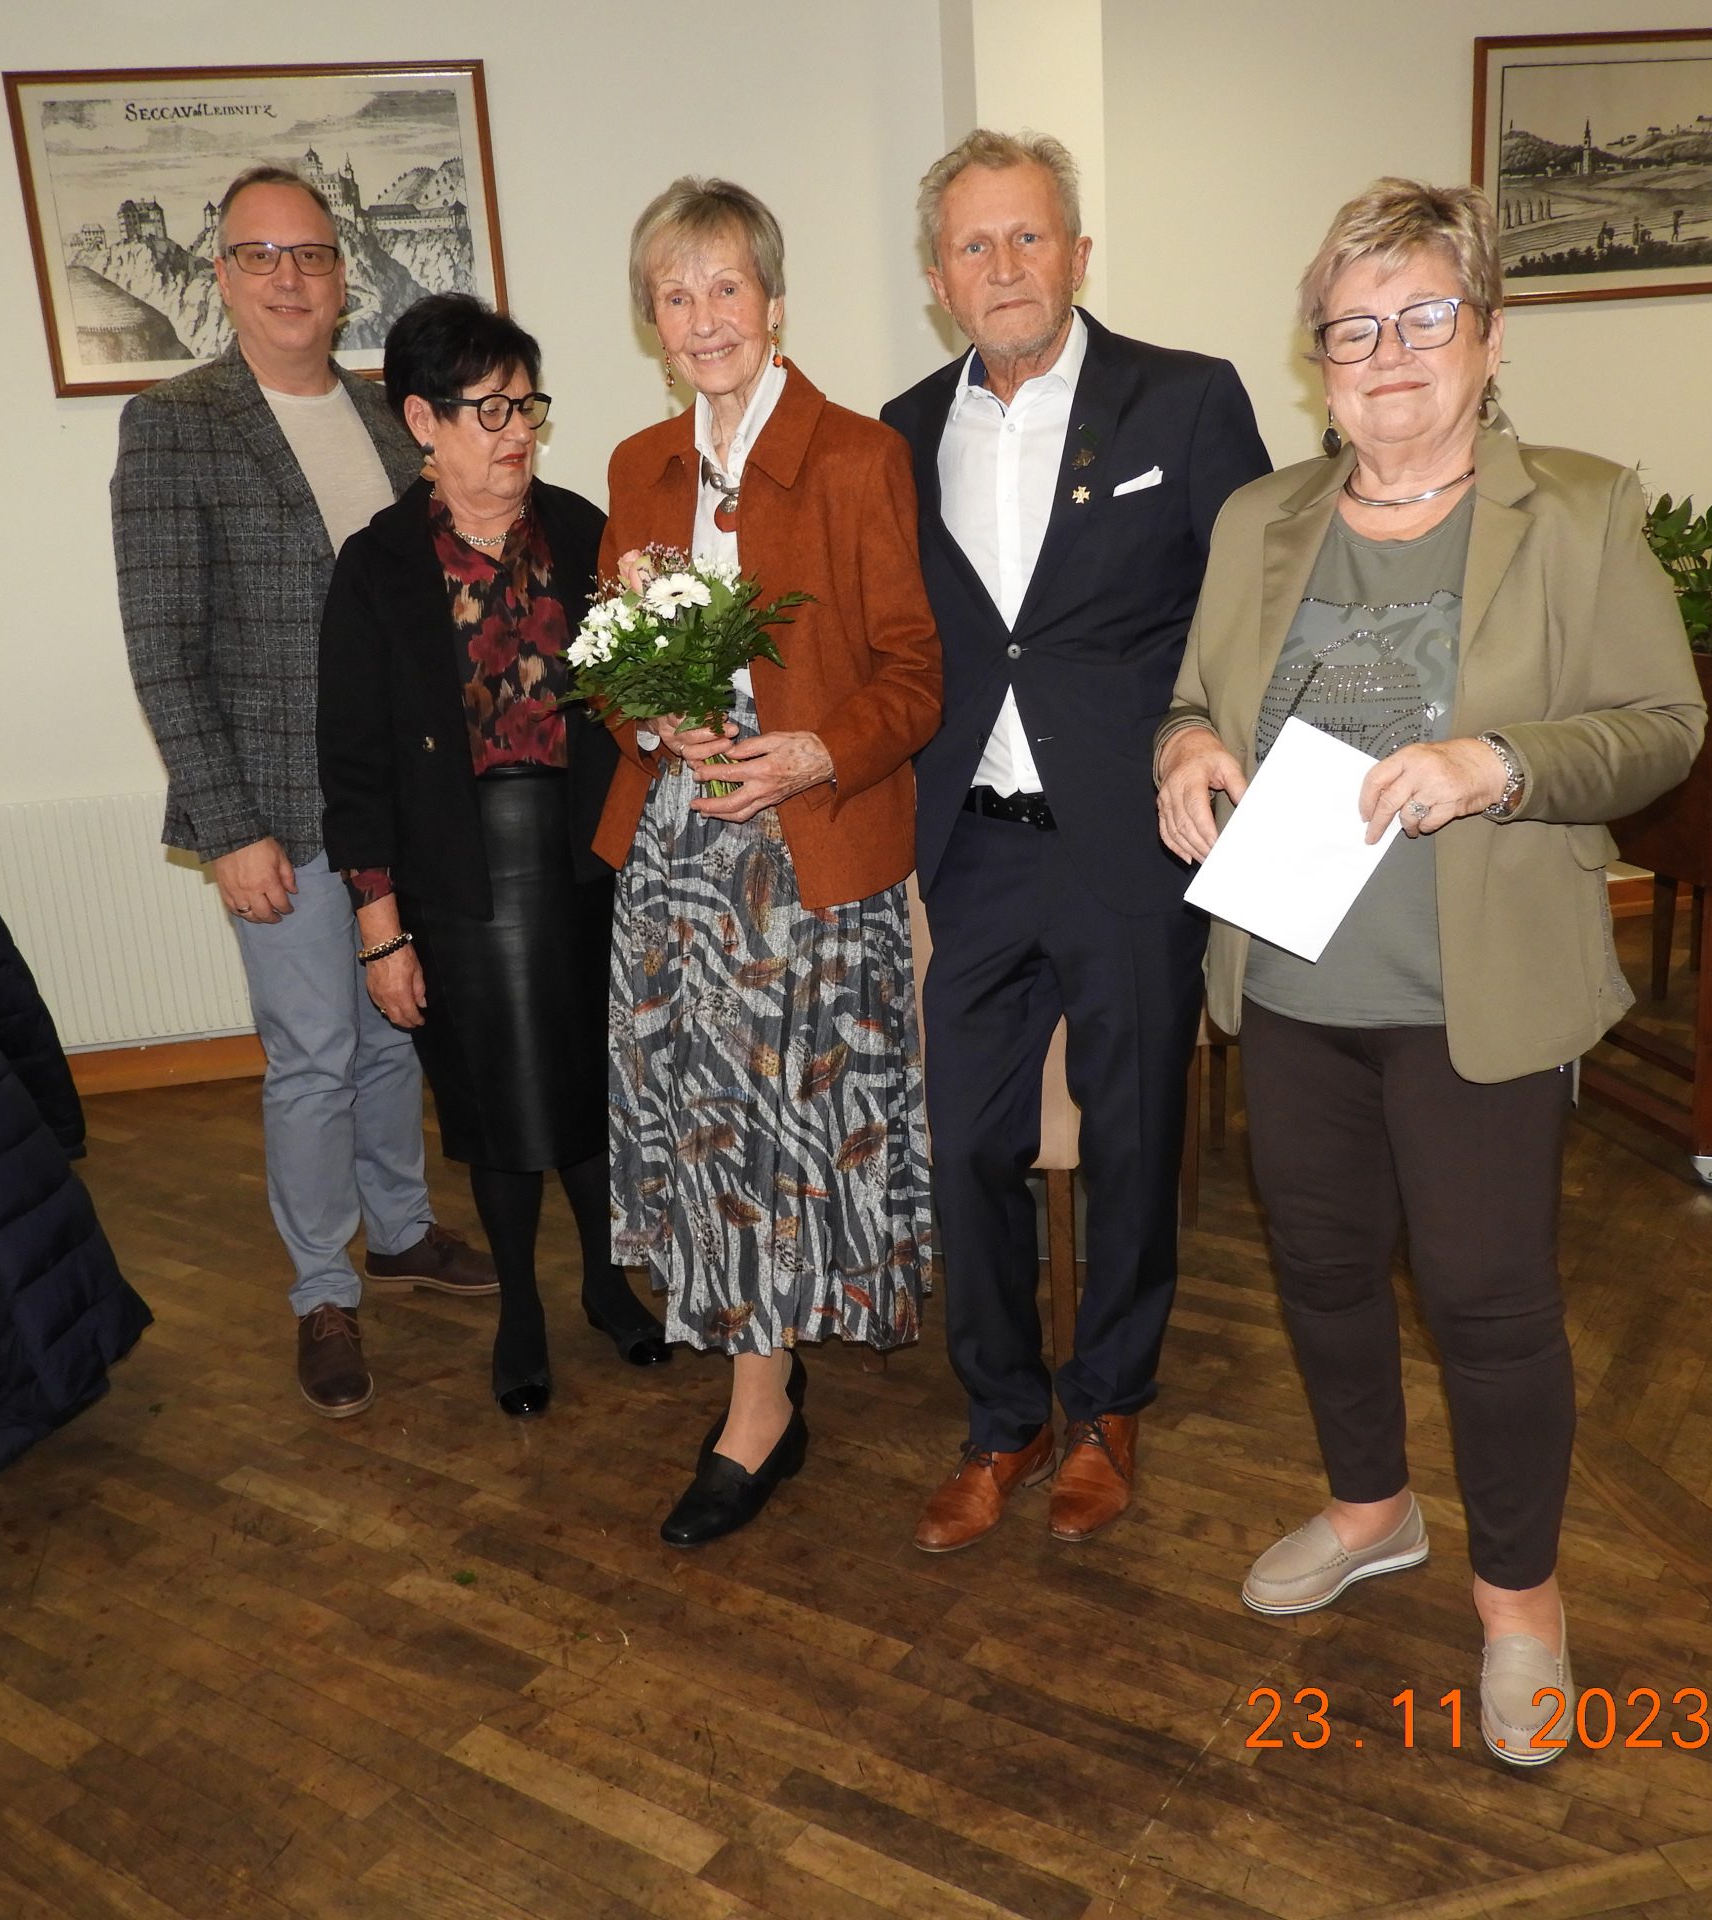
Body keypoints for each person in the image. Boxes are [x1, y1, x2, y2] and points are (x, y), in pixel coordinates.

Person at [1152, 178, 1705, 1764]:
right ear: (1318, 359)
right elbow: (1193, 698)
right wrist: (1183, 751)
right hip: (1292, 978)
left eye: (1423, 318)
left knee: (1488, 1299)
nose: (1388, 354)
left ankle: (1520, 1600)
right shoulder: (1261, 520)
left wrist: (1500, 764)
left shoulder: (1579, 511)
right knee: (1321, 1269)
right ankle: (1370, 1507)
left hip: (1476, 991)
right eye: (1354, 329)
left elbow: (1663, 727)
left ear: (1488, 337)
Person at [881, 131, 1269, 1553]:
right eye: (974, 246)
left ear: (1079, 253)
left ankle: (1109, 1407)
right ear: (938, 278)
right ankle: (1003, 1417)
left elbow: (1251, 614)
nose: (1004, 267)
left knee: (1133, 1141)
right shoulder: (898, 432)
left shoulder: (1187, 400)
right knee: (964, 1148)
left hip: (1132, 846)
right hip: (974, 851)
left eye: (1028, 236)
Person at [112, 164, 494, 1423]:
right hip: (274, 803)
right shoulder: (176, 423)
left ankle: (401, 1230)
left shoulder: (390, 417)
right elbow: (164, 649)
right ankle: (323, 1290)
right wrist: (230, 829)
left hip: (392, 800)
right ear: (222, 275)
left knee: (391, 1032)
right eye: (260, 255)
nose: (290, 278)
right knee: (314, 1054)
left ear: (342, 276)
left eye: (312, 254)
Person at [598, 178, 943, 1547]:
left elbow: (913, 678)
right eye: (674, 295)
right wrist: (649, 711)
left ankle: (760, 1405)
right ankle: (759, 1379)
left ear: (775, 302)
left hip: (804, 855)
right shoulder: (639, 466)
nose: (703, 318)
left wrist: (812, 752)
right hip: (678, 856)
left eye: (725, 287)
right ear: (653, 320)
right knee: (702, 1128)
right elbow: (611, 676)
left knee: (780, 1134)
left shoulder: (858, 457)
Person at [317, 294, 666, 1420]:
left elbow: (638, 705)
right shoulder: (377, 566)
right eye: (489, 410)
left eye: (527, 405)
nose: (517, 431)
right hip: (458, 878)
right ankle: (521, 1307)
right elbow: (355, 769)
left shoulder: (581, 532)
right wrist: (381, 931)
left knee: (596, 1091)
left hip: (586, 864)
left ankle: (607, 1284)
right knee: (501, 1108)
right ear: (422, 421)